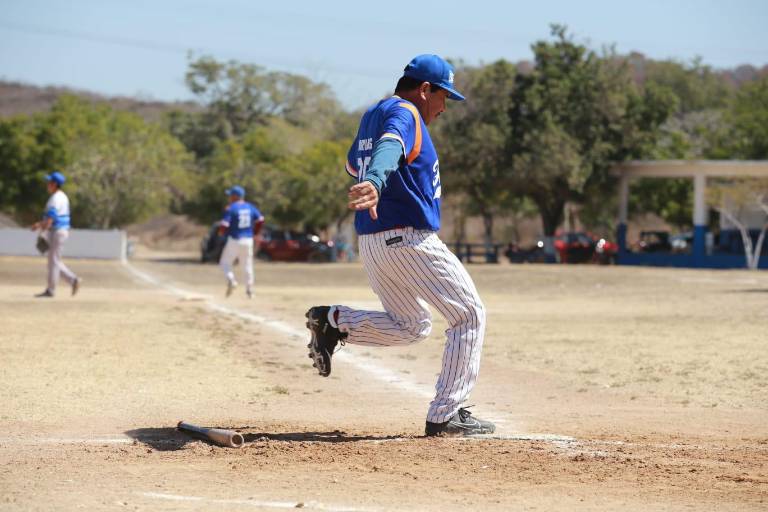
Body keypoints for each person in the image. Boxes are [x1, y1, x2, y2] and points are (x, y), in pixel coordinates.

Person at [305, 55, 494, 437]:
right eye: (443, 97)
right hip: (408, 239)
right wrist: (376, 180)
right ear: (425, 90)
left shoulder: (372, 113)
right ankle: (447, 413)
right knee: (468, 315)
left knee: (412, 326)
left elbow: (351, 162)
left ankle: (334, 322)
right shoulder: (406, 114)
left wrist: (372, 176)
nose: (444, 107)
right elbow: (390, 147)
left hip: (374, 242)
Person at [31, 172, 81, 298]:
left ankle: (51, 290)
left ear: (54, 184)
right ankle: (72, 280)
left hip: (57, 231)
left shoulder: (55, 198)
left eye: (49, 182)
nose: (47, 185)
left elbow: (50, 219)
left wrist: (41, 229)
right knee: (54, 262)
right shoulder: (62, 196)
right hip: (60, 231)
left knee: (53, 261)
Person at [218, 185, 264, 298]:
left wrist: (221, 233)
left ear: (235, 196)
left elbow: (224, 224)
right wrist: (256, 232)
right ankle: (250, 290)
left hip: (235, 239)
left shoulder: (231, 208)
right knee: (247, 265)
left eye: (230, 195)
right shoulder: (250, 207)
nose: (229, 197)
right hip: (248, 240)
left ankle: (231, 280)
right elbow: (260, 220)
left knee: (225, 263)